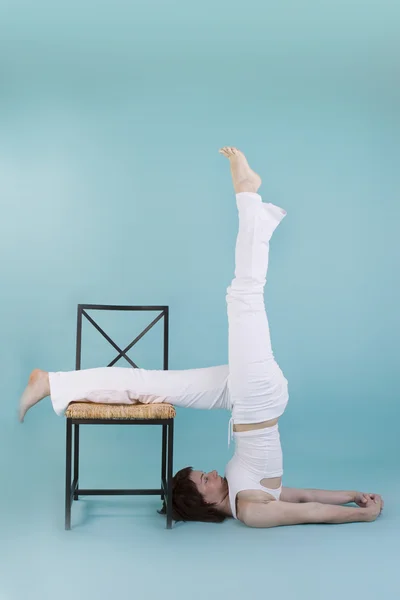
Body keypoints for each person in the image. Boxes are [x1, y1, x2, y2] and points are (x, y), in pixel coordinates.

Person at [19, 147, 384, 528]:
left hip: (239, 396)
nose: (211, 473)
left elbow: (308, 494)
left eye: (203, 473)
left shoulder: (245, 493)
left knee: (148, 386)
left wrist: (352, 495)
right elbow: (308, 510)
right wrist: (363, 515)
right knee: (244, 294)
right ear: (206, 504)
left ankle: (51, 382)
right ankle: (247, 195)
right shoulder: (252, 511)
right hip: (256, 397)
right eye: (205, 480)